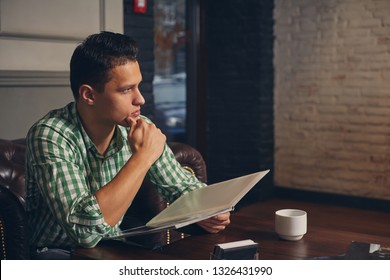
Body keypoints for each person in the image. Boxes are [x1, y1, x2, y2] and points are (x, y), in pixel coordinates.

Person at [25, 31, 230, 259]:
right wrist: (142, 158)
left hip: (113, 247)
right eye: (125, 90)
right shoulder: (50, 135)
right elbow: (86, 233)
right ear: (88, 95)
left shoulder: (138, 127)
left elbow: (181, 187)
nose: (140, 99)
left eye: (138, 86)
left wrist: (210, 209)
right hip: (57, 253)